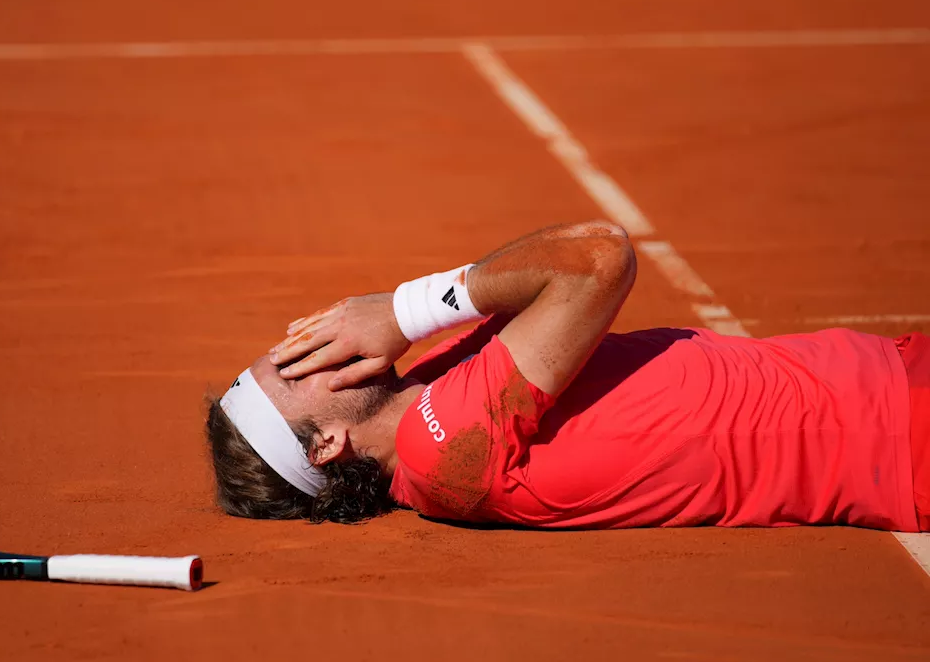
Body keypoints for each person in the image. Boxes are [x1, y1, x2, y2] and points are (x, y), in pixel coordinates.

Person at [204, 221, 930, 530]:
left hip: (886, 382)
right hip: (898, 434)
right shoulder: (442, 446)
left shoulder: (427, 391)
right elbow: (598, 257)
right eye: (294, 366)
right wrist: (405, 308)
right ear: (329, 443)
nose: (311, 341)